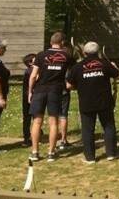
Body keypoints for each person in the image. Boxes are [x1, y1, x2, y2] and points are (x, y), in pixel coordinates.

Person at [66, 42, 119, 163]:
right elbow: (118, 75)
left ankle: (90, 157)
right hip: (104, 101)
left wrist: (79, 86)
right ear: (99, 52)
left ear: (84, 53)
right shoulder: (104, 64)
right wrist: (115, 66)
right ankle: (111, 154)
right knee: (108, 126)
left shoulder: (78, 67)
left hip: (87, 102)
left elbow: (69, 85)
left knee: (87, 130)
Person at [28, 32, 72, 162]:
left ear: (50, 42)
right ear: (62, 42)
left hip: (40, 90)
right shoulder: (67, 56)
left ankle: (35, 152)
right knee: (53, 122)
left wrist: (30, 91)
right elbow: (72, 72)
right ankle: (51, 153)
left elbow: (33, 75)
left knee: (37, 121)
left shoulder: (41, 55)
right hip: (56, 90)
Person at [57, 47, 77, 151]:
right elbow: (70, 84)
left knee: (54, 116)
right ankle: (63, 141)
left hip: (53, 91)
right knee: (63, 116)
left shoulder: (54, 62)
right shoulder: (70, 67)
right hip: (64, 92)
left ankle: (55, 139)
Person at [22, 53, 36, 147]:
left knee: (27, 117)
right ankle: (28, 138)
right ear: (30, 62)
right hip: (31, 96)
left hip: (26, 96)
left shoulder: (28, 70)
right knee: (32, 117)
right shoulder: (31, 71)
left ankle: (28, 137)